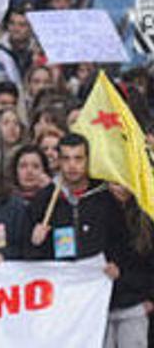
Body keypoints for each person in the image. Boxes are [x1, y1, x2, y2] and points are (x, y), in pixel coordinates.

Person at [25, 134, 129, 275]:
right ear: (58, 161)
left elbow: (122, 240)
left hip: (98, 283)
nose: (72, 165)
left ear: (88, 160)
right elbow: (28, 258)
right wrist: (35, 243)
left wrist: (117, 263)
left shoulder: (105, 197)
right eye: (66, 158)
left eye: (78, 158)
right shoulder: (44, 199)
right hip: (62, 285)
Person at [104, 183, 154, 348]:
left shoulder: (147, 214)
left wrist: (151, 298)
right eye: (114, 183)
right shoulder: (98, 208)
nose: (119, 188)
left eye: (124, 183)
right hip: (99, 305)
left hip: (135, 303)